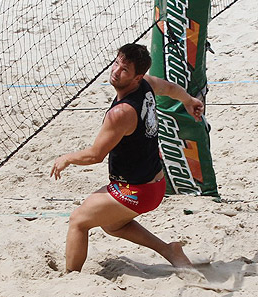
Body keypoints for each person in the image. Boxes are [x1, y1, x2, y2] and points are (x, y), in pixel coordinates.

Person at [50, 43, 203, 272]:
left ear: (136, 77)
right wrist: (189, 100)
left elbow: (95, 155)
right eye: (116, 64)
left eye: (124, 70)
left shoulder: (120, 113)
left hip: (135, 191)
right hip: (155, 183)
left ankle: (72, 278)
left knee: (78, 221)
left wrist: (67, 158)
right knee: (112, 225)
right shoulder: (147, 84)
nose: (115, 71)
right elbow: (170, 89)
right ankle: (170, 250)